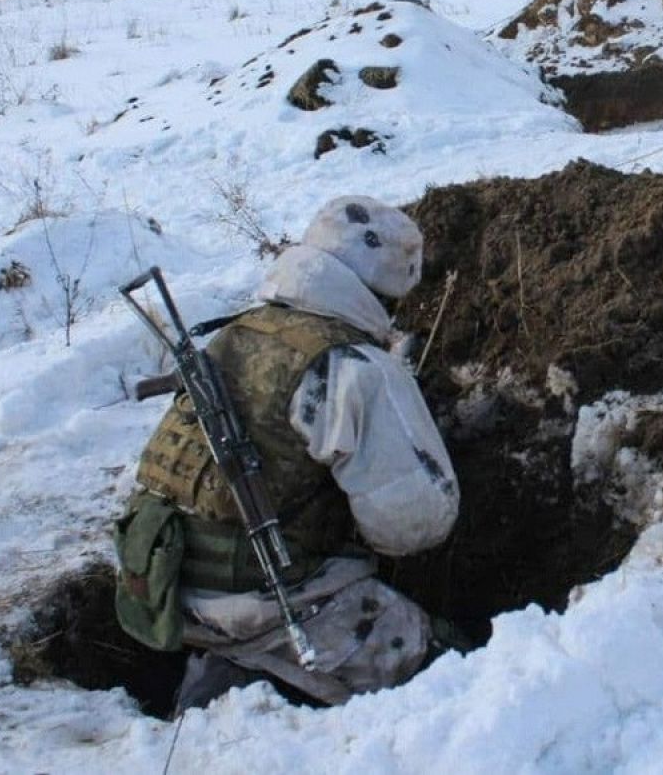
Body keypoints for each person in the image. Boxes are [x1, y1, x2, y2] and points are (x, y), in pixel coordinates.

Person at [115, 196, 462, 712]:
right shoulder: (352, 365)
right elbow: (412, 526)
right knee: (452, 671)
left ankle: (229, 674)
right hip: (266, 604)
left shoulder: (235, 332)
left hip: (160, 582)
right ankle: (250, 681)